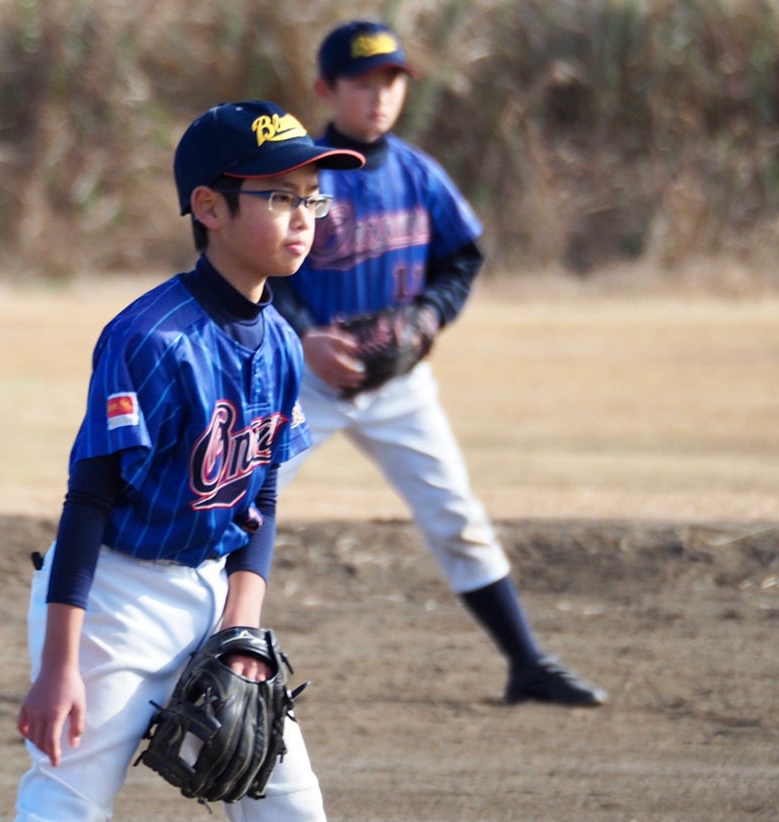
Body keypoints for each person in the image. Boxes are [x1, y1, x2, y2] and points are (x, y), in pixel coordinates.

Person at [14, 100, 364, 821]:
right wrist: (58, 668)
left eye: (311, 197)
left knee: (292, 807)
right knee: (68, 800)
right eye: (277, 196)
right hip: (114, 596)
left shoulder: (283, 345)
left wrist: (241, 632)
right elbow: (89, 500)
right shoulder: (149, 339)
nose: (303, 216)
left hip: (212, 593)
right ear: (209, 206)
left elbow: (261, 495)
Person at [270, 21, 606, 707]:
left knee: (454, 514)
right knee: (235, 505)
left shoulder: (418, 173)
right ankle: (172, 652)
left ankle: (527, 663)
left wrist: (426, 318)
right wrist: (303, 336)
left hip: (398, 384)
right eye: (362, 83)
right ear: (325, 89)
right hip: (305, 376)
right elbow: (259, 269)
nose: (379, 97)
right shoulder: (296, 172)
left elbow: (462, 257)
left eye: (391, 81)